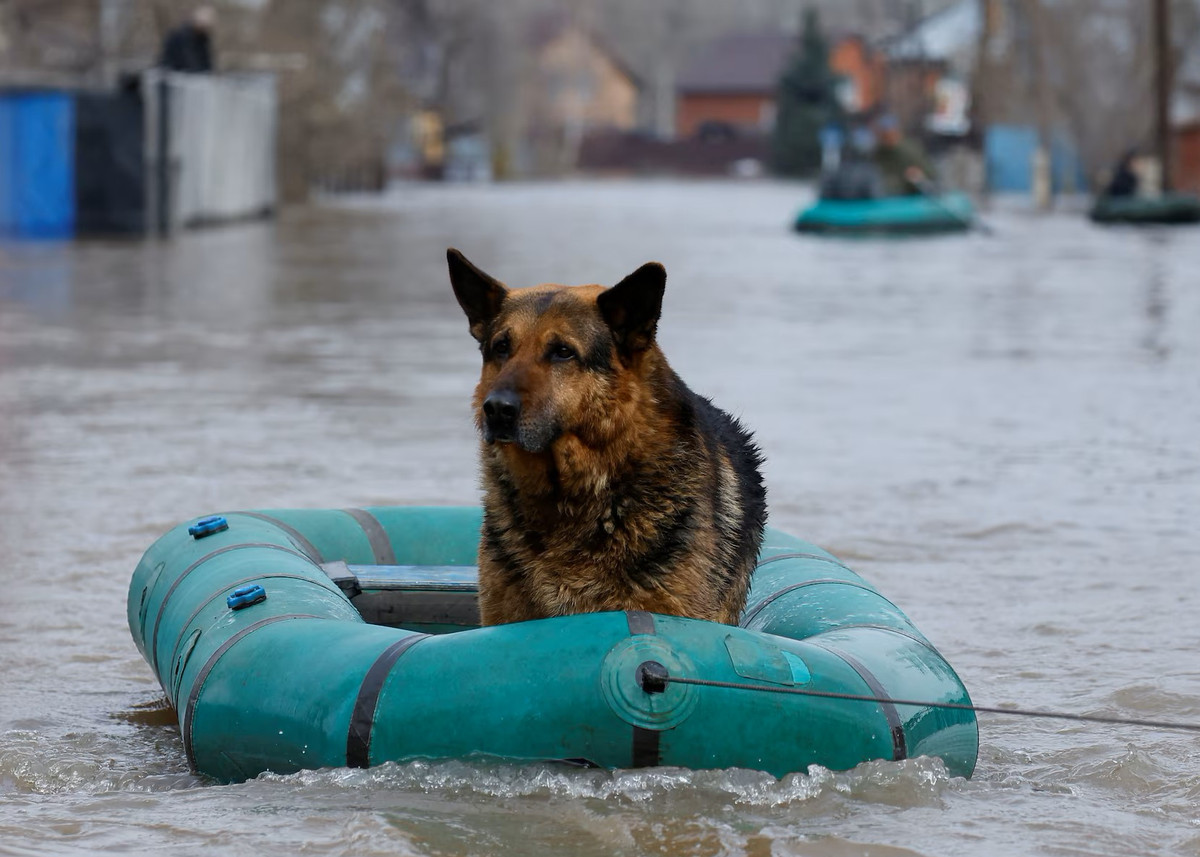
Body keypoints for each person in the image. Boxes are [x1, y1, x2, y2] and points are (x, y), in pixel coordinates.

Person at [872, 113, 935, 197]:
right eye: (885, 135)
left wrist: (919, 175)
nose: (889, 138)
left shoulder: (910, 150)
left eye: (891, 133)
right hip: (887, 196)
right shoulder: (877, 153)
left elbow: (930, 173)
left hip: (911, 196)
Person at [160, 6, 216, 73]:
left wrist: (209, 71)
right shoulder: (182, 34)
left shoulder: (203, 38)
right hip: (175, 71)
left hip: (192, 73)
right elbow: (187, 56)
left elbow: (206, 57)